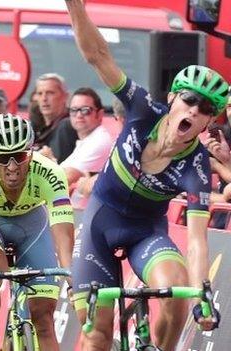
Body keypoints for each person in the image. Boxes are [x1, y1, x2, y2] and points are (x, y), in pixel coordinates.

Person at [65, 1, 229, 350]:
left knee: (176, 290)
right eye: (189, 100)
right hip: (99, 225)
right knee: (96, 334)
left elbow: (198, 240)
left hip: (146, 233)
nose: (194, 111)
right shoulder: (141, 108)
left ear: (210, 122)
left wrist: (202, 291)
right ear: (172, 98)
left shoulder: (197, 166)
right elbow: (98, 55)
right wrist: (74, 4)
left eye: (206, 110)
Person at [0, 113, 74, 351]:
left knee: (43, 319)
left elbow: (63, 235)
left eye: (20, 157)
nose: (12, 167)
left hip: (32, 226)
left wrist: (73, 279)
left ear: (31, 152)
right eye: (2, 158)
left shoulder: (51, 173)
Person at [60, 87, 114, 187]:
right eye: (74, 110)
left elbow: (64, 179)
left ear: (100, 114)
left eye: (86, 110)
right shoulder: (88, 140)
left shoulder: (100, 141)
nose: (79, 115)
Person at [33, 73, 78, 163]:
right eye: (40, 93)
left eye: (50, 93)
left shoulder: (66, 126)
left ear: (65, 96)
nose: (44, 98)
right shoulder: (36, 127)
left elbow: (59, 168)